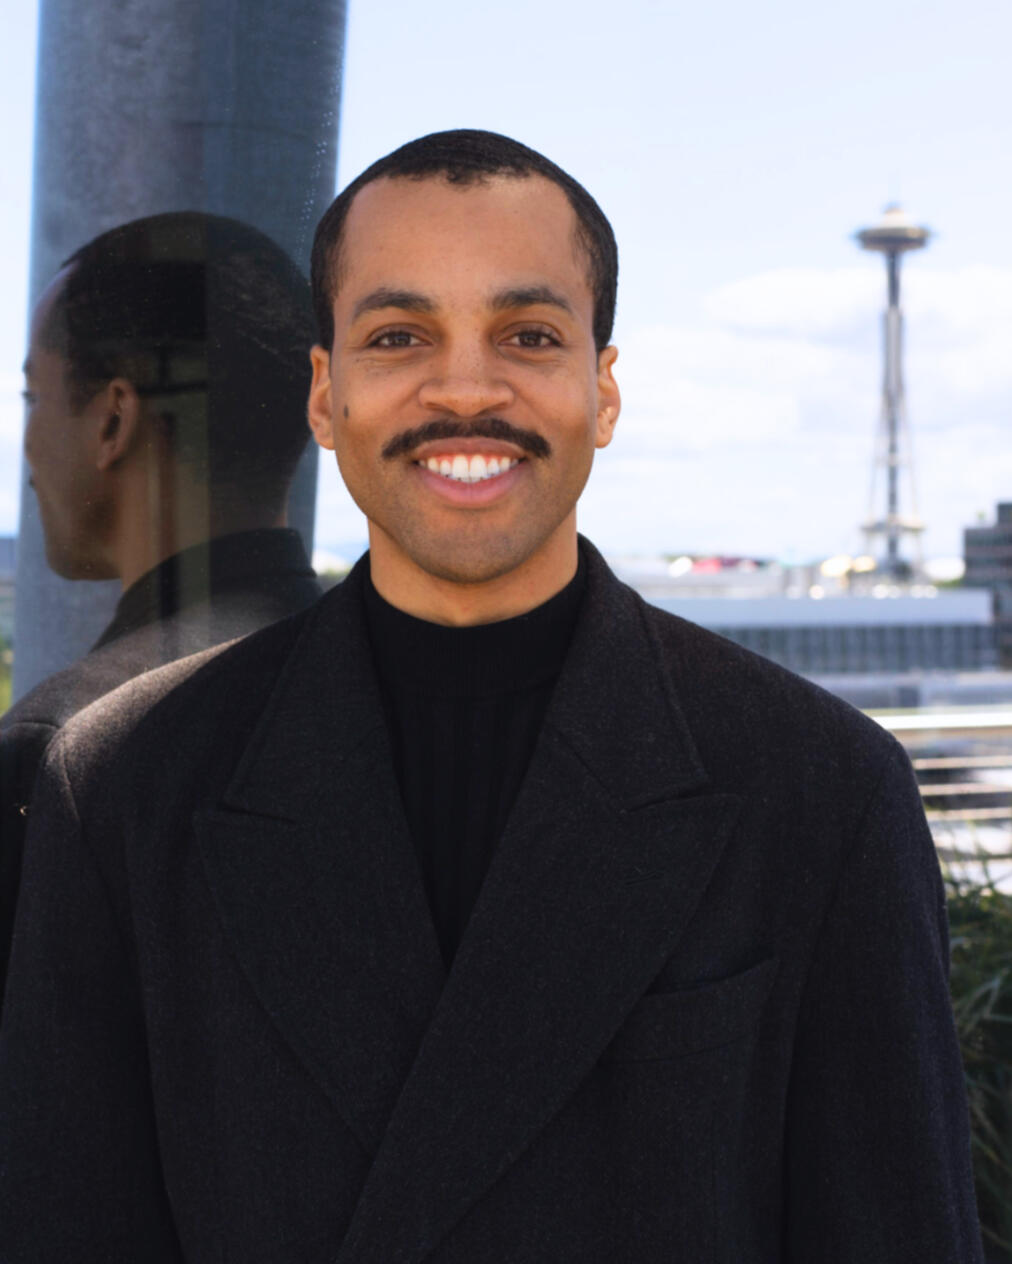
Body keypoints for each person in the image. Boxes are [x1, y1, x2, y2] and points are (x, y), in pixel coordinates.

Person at [0, 131, 983, 1262]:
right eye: (398, 336)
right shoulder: (122, 783)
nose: (465, 388)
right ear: (325, 396)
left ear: (602, 390)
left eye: (526, 335)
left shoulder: (821, 788)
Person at [0, 212, 322, 1010]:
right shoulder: (406, 690)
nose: (28, 448)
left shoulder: (70, 746)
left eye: (34, 395)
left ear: (113, 419)